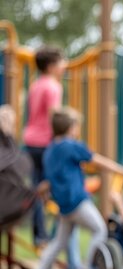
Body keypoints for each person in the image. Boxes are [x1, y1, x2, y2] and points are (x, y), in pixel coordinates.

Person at [25, 107, 123, 269]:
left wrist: (43, 190)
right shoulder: (72, 145)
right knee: (100, 229)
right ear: (71, 128)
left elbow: (51, 179)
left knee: (58, 242)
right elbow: (99, 161)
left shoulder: (50, 150)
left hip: (64, 205)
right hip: (77, 201)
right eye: (77, 126)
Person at [23, 46, 66, 247]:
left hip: (30, 142)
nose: (64, 66)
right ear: (51, 66)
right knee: (57, 187)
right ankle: (55, 235)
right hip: (46, 143)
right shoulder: (53, 86)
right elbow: (54, 117)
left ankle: (39, 235)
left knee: (36, 190)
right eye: (61, 61)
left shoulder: (35, 85)